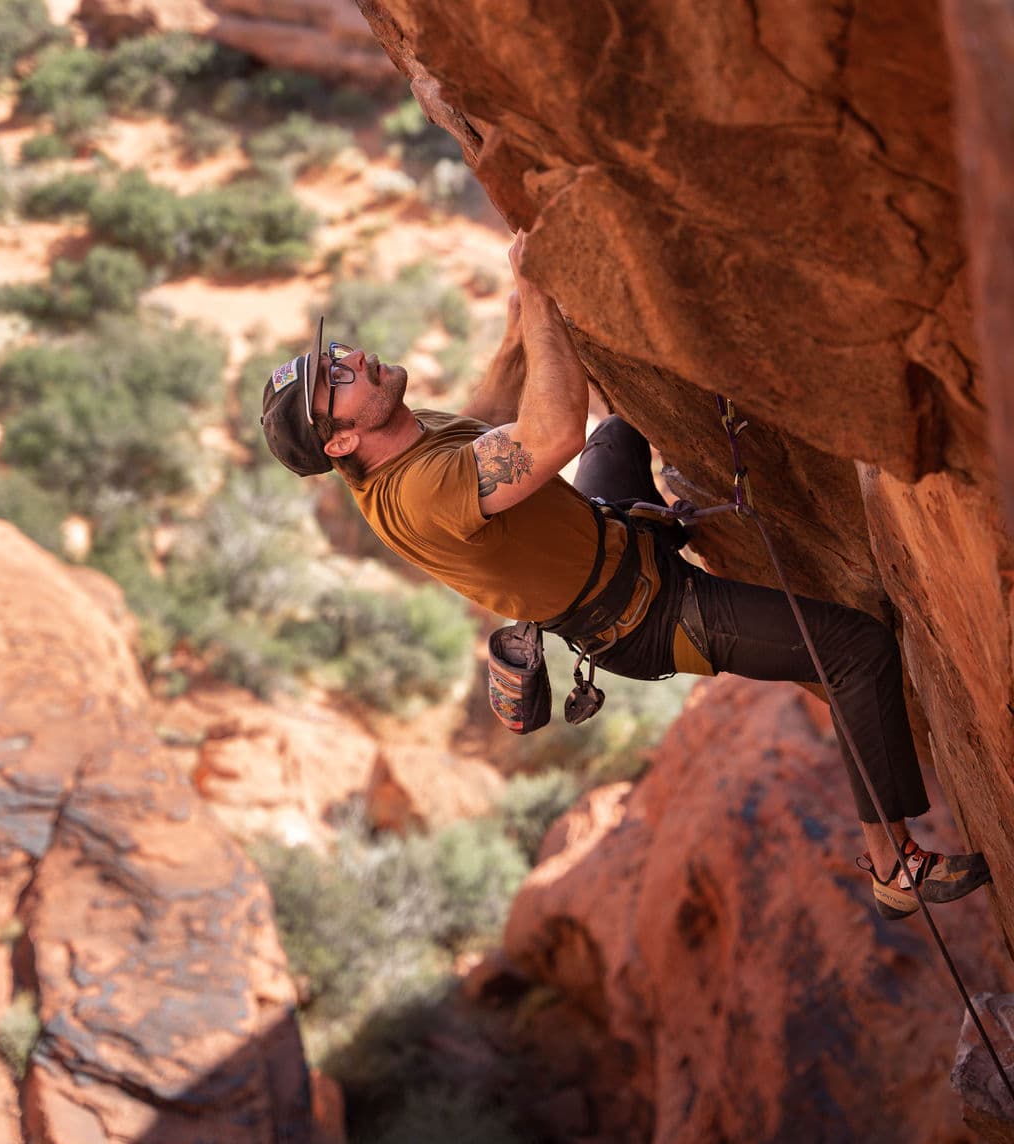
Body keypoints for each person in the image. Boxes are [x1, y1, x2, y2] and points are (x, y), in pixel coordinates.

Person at [261, 230, 990, 921]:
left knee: (628, 419)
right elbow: (548, 437)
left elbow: (485, 417)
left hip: (607, 531)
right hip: (646, 614)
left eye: (337, 355)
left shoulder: (401, 443)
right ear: (344, 438)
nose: (351, 358)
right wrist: (542, 301)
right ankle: (892, 865)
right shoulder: (413, 493)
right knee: (855, 649)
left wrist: (521, 320)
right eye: (335, 378)